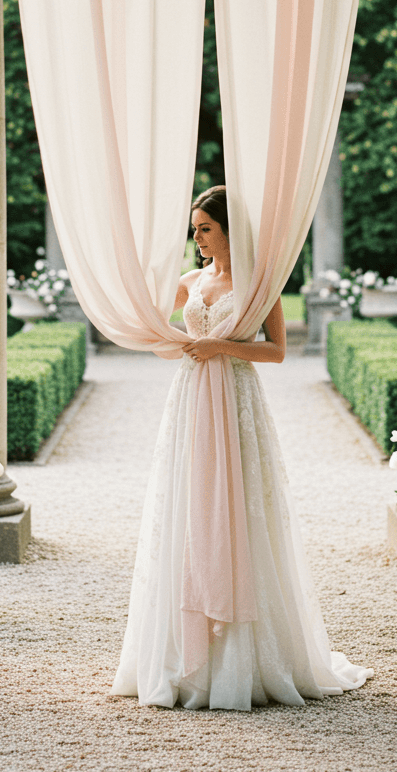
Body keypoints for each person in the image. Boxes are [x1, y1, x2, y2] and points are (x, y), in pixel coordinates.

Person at [112, 185, 372, 710]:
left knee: (238, 508)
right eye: (195, 230)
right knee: (189, 507)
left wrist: (218, 347)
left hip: (234, 399)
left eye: (206, 228)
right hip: (189, 401)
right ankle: (181, 652)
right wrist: (174, 341)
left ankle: (244, 658)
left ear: (229, 229)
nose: (198, 238)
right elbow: (167, 341)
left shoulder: (258, 285)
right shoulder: (189, 281)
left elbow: (276, 351)